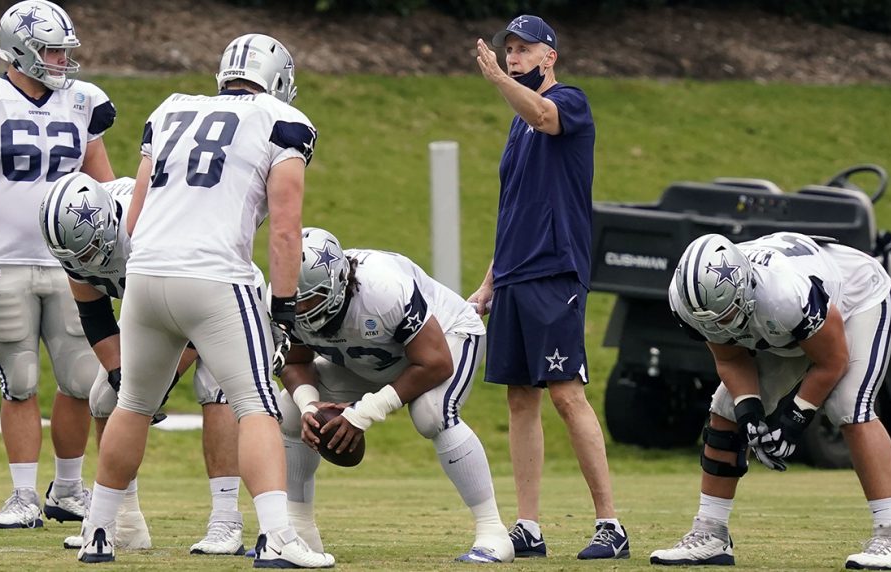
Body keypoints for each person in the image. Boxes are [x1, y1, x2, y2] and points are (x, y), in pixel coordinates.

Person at [75, 33, 333, 568]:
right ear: (278, 80)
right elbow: (286, 229)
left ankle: (97, 532)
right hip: (216, 275)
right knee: (257, 405)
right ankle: (278, 537)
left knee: (133, 404)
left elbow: (136, 215)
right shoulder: (282, 121)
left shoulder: (170, 110)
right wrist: (283, 307)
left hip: (146, 273)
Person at [0, 0, 114, 532]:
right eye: (51, 50)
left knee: (80, 379)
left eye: (63, 50)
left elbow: (103, 187)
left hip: (71, 264)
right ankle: (22, 495)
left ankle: (70, 489)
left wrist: (115, 253)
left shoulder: (83, 103)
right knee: (20, 379)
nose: (61, 60)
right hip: (3, 263)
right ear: (19, 50)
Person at [654, 232, 891, 570]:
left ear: (745, 287)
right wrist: (749, 412)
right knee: (726, 408)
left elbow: (832, 361)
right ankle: (711, 533)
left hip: (857, 297)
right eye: (710, 321)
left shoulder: (785, 294)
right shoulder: (690, 303)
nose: (719, 325)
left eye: (725, 314)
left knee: (849, 405)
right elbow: (731, 358)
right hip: (788, 327)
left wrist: (794, 420)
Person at [469, 15, 629, 560]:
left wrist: (497, 81)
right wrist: (488, 284)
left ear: (549, 56)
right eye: (507, 50)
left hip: (555, 271)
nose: (513, 57)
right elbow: (514, 211)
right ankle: (529, 527)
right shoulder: (516, 127)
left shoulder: (571, 102)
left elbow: (544, 114)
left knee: (565, 393)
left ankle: (610, 524)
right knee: (520, 399)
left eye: (523, 49)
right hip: (514, 276)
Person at [276, 227, 515, 564]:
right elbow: (294, 360)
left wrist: (364, 412)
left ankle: (493, 532)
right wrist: (309, 405)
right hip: (370, 355)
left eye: (310, 298)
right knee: (288, 411)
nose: (300, 309)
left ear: (338, 282)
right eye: (294, 298)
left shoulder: (382, 288)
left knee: (432, 414)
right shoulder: (282, 299)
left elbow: (435, 363)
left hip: (446, 337)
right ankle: (300, 530)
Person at [39, 173, 247, 555]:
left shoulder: (151, 227)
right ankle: (125, 521)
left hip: (217, 294)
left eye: (86, 253)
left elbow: (187, 318)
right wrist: (122, 376)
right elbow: (95, 317)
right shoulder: (75, 246)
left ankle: (225, 521)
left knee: (215, 386)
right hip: (159, 307)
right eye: (73, 257)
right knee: (104, 396)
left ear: (107, 224)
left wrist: (158, 384)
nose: (82, 263)